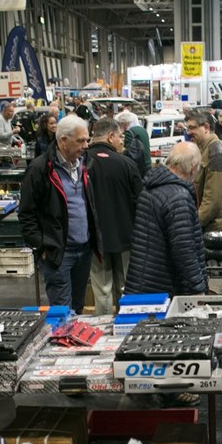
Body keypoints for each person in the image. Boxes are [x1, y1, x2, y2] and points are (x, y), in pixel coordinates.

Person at [19, 115, 98, 313]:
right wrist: (43, 246)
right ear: (63, 140)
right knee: (63, 309)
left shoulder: (85, 164)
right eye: (81, 140)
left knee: (78, 307)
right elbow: (26, 214)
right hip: (59, 253)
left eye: (87, 140)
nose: (86, 146)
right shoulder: (40, 169)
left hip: (84, 250)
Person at [124, 140, 207, 297]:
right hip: (163, 288)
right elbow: (184, 250)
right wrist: (198, 288)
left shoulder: (151, 187)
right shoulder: (178, 198)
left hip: (142, 281)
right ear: (193, 167)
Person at [85, 118, 142, 315]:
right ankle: (126, 329)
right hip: (126, 238)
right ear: (110, 136)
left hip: (94, 240)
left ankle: (103, 333)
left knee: (102, 291)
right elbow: (140, 200)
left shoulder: (82, 163)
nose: (121, 142)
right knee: (127, 288)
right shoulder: (126, 164)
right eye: (120, 137)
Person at [187, 109, 222, 234]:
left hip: (212, 231)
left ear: (206, 127)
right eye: (188, 128)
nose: (188, 132)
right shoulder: (205, 150)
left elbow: (213, 200)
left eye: (192, 128)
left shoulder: (217, 153)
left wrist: (193, 224)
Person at [115, 111, 152, 177]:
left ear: (124, 123)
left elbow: (129, 151)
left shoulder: (129, 132)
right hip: (148, 162)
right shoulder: (142, 130)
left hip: (139, 165)